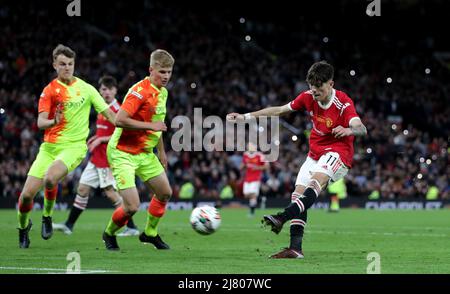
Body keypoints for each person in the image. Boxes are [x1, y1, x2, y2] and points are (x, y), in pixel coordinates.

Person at [227, 61, 367, 258]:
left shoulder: (343, 103)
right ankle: (295, 249)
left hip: (338, 152)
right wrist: (245, 116)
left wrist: (348, 129)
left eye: (319, 86)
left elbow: (361, 128)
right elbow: (279, 110)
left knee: (315, 182)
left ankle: (282, 217)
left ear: (331, 84)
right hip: (315, 153)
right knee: (298, 193)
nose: (315, 90)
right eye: (312, 86)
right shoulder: (308, 97)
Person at [17, 44, 116, 248]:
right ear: (55, 65)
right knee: (26, 196)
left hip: (74, 147)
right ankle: (23, 227)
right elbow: (40, 122)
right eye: (62, 64)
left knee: (51, 178)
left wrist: (135, 128)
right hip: (49, 147)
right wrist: (54, 121)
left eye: (70, 64)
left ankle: (47, 216)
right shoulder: (49, 91)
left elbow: (112, 116)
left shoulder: (87, 89)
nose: (67, 67)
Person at [101, 49, 174, 251]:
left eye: (169, 72)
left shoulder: (163, 92)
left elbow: (158, 123)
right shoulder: (139, 91)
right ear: (151, 69)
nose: (166, 76)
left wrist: (161, 151)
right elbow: (119, 120)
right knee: (132, 206)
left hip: (145, 152)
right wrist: (152, 127)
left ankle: (149, 234)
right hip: (122, 152)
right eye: (162, 72)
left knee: (164, 193)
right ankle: (109, 233)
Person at [53, 76, 139, 236]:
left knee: (111, 193)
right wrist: (95, 138)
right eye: (103, 90)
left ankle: (131, 226)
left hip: (107, 159)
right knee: (82, 189)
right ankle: (69, 225)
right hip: (96, 159)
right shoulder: (102, 109)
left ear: (115, 91)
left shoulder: (118, 111)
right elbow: (103, 131)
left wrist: (100, 139)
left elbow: (123, 134)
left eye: (109, 89)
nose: (106, 93)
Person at [241, 142, 269, 217]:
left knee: (253, 195)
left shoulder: (260, 155)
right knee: (246, 195)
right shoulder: (245, 154)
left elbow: (266, 166)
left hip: (256, 178)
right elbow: (243, 164)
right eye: (248, 145)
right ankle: (261, 199)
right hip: (247, 178)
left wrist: (257, 167)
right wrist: (242, 167)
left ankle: (251, 212)